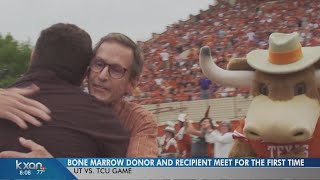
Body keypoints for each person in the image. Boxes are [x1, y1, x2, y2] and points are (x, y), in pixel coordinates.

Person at [0, 33, 158, 158]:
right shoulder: (62, 103)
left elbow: (141, 174)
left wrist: (55, 171)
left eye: (116, 70)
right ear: (87, 70)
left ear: (132, 84)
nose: (102, 75)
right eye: (99, 64)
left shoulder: (139, 121)